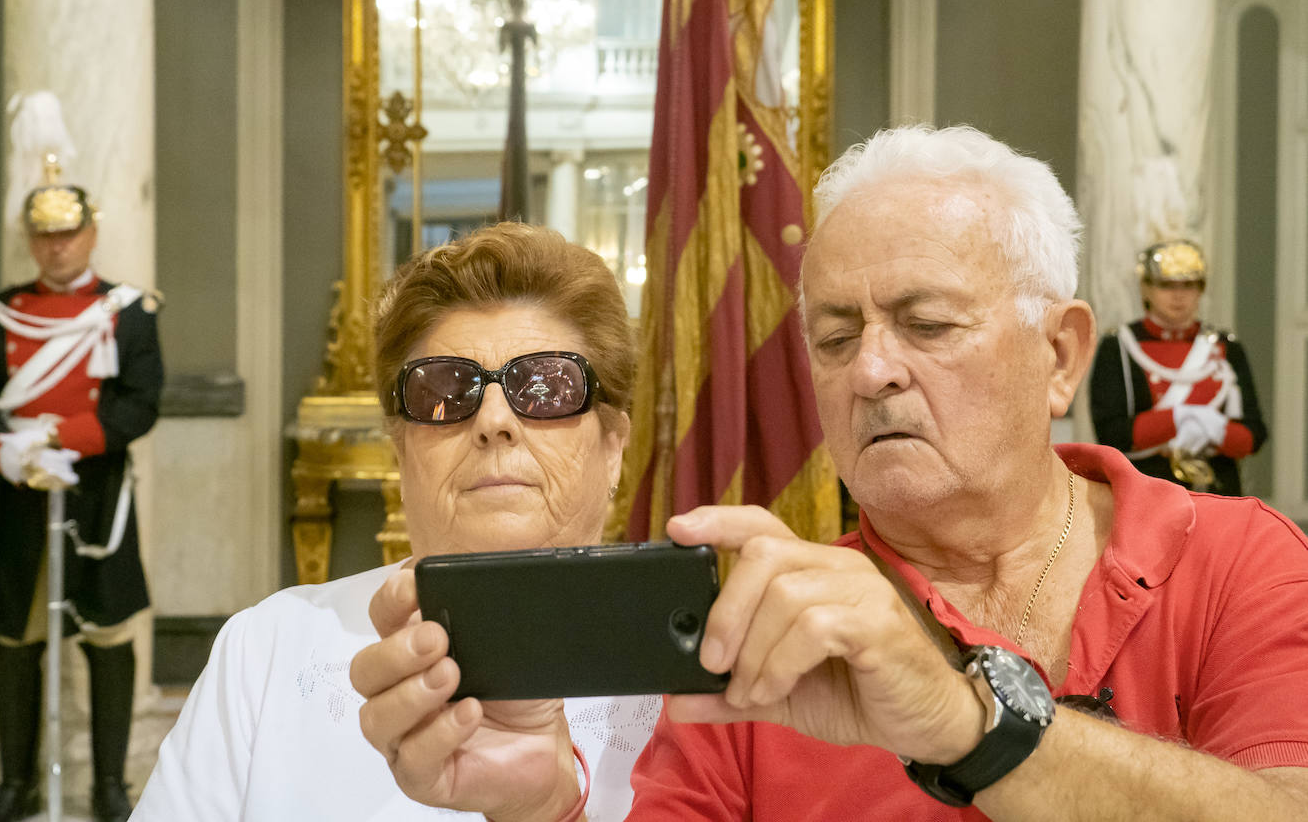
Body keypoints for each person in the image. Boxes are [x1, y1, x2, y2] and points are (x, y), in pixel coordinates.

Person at [360, 125, 1308, 820]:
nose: (872, 369)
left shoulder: (1239, 563)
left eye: (927, 324)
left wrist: (970, 719)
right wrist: (548, 812)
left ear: (1060, 354)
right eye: (835, 335)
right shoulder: (766, 644)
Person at [133, 222, 657, 821]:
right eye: (445, 391)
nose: (493, 418)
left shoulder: (700, 687)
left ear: (614, 445)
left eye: (544, 388)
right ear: (401, 450)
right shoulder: (267, 650)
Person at [0, 155, 163, 822]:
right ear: (30, 239)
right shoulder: (0, 313)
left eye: (69, 233)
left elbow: (139, 403)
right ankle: (13, 784)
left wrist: (60, 439)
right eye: (45, 235)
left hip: (97, 494)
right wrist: (7, 452)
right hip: (22, 496)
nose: (58, 246)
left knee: (108, 636)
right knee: (18, 641)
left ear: (91, 232)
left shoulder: (128, 312)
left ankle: (109, 783)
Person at [1088, 238, 1267, 496]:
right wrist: (1180, 417)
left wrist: (1214, 428)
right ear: (1145, 289)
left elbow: (1253, 437)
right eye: (1166, 285)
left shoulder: (1226, 347)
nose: (1178, 295)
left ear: (1201, 289)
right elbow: (1112, 434)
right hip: (1147, 491)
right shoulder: (1120, 346)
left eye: (1189, 285)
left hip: (1216, 491)